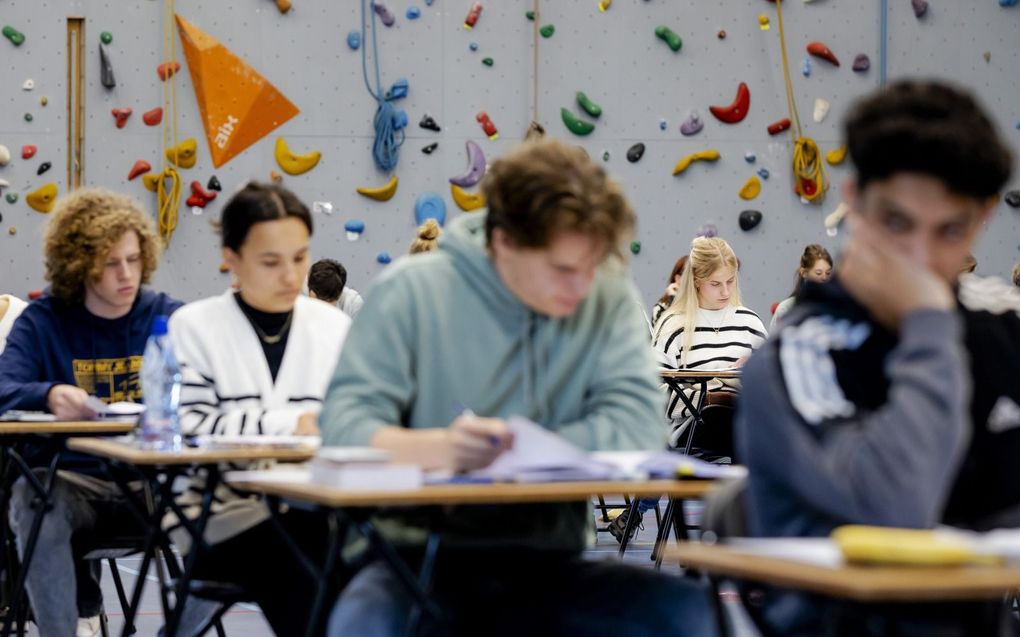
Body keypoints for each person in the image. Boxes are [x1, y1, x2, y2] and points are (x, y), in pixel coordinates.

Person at [321, 139, 717, 637]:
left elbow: (639, 422)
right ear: (503, 243)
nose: (582, 287)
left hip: (549, 558)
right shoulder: (411, 291)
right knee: (366, 626)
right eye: (563, 270)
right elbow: (344, 425)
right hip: (416, 554)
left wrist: (527, 447)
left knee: (692, 617)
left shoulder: (604, 292)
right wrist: (442, 448)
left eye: (593, 266)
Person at [736, 80, 1020, 635]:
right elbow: (897, 509)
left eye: (948, 231)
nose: (917, 257)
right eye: (895, 224)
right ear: (854, 201)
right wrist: (929, 322)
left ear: (983, 220)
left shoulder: (1002, 331)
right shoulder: (796, 356)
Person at [167, 182, 352, 637]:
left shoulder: (333, 326)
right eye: (271, 262)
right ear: (232, 258)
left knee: (400, 558)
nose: (291, 276)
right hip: (220, 509)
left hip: (322, 502)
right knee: (304, 558)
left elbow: (356, 414)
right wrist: (296, 424)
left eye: (299, 257)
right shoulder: (194, 325)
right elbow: (190, 428)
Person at [0, 188, 181, 637]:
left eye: (134, 259)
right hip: (79, 489)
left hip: (157, 486)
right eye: (110, 263)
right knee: (32, 495)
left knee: (235, 505)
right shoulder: (43, 321)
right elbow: (3, 388)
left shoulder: (166, 316)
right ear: (79, 265)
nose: (127, 274)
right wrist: (49, 394)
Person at [608, 238, 766, 543]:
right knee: (734, 419)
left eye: (731, 282)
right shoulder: (674, 325)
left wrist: (757, 371)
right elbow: (653, 395)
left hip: (743, 421)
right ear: (695, 283)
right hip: (694, 427)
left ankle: (741, 527)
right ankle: (744, 531)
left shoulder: (750, 323)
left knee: (750, 419)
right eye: (715, 284)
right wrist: (703, 395)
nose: (725, 291)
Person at [769, 244, 833, 330]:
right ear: (804, 273)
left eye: (828, 273)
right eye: (818, 273)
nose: (824, 278)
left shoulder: (838, 308)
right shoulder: (786, 309)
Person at [651, 256, 687, 326]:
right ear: (678, 279)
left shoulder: (703, 306)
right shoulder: (660, 309)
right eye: (689, 277)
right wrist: (673, 299)